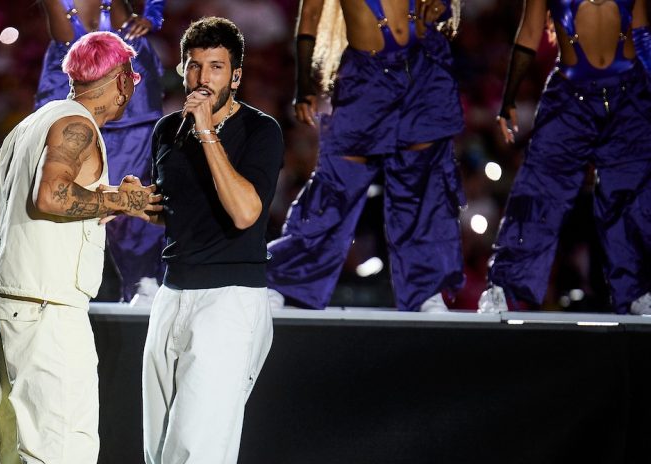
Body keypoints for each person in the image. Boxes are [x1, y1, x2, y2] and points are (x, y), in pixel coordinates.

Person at [0, 31, 160, 464]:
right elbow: (51, 199)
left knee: (18, 455)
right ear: (122, 80)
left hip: (13, 309)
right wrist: (121, 201)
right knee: (66, 450)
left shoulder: (28, 126)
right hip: (48, 311)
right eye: (133, 82)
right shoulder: (76, 126)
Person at [128, 18, 307, 464]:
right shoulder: (165, 132)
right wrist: (137, 203)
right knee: (164, 455)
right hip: (172, 294)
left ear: (237, 75)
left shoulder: (260, 131)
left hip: (231, 304)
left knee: (199, 455)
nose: (204, 78)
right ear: (182, 68)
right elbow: (174, 209)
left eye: (217, 68)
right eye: (196, 66)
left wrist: (208, 135)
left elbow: (244, 213)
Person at [266, 0, 465, 312]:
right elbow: (310, 15)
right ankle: (286, 280)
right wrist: (303, 85)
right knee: (335, 183)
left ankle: (426, 290)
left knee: (422, 185)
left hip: (423, 71)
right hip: (366, 76)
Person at [479, 0, 651, 315]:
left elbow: (640, 34)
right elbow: (530, 32)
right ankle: (504, 289)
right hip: (571, 97)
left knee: (631, 195)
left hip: (630, 95)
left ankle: (637, 291)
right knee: (539, 190)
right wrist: (508, 99)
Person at [37, 0, 166, 304]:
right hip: (71, 80)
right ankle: (19, 279)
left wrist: (153, 14)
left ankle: (142, 280)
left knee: (135, 184)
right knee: (57, 183)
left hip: (133, 103)